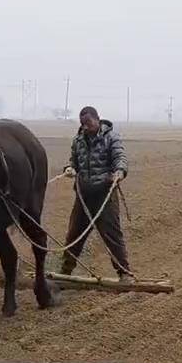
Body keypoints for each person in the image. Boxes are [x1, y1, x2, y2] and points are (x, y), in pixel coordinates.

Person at [59, 105, 132, 279]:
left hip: (105, 195)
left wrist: (119, 171)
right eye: (82, 124)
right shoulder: (78, 141)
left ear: (98, 119)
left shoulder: (111, 137)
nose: (85, 127)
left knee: (112, 236)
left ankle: (124, 273)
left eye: (88, 123)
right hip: (83, 196)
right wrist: (70, 168)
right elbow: (74, 161)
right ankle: (65, 272)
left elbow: (120, 157)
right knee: (73, 235)